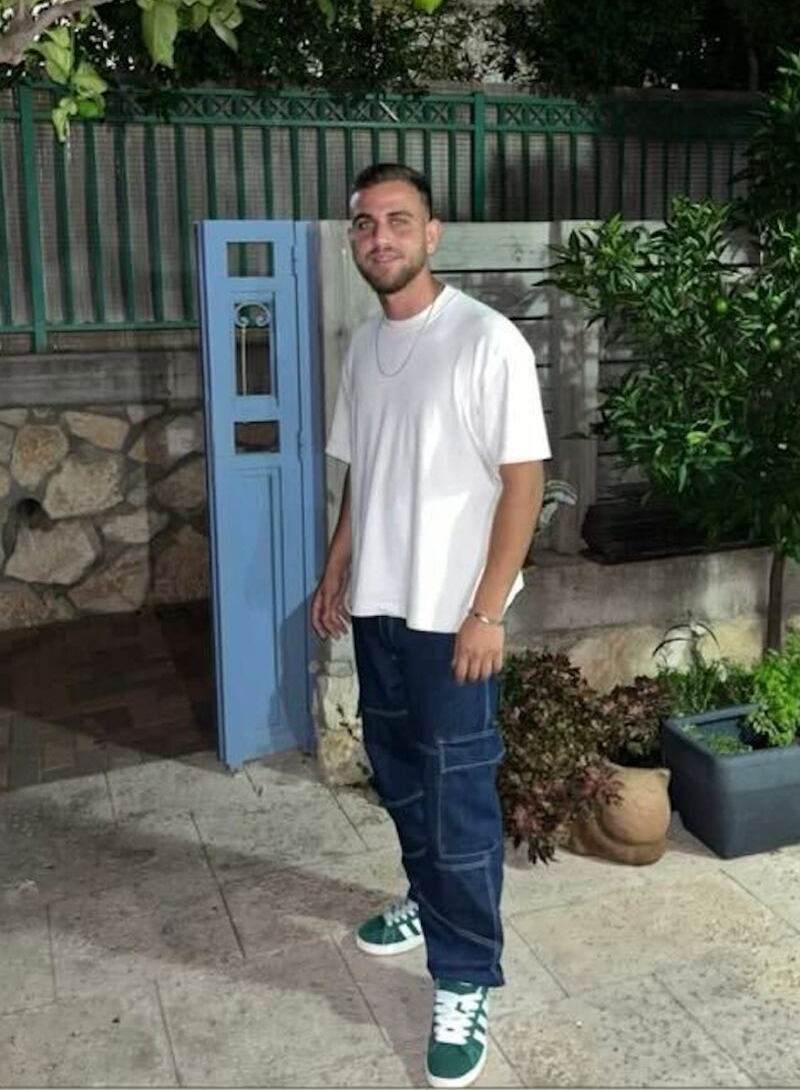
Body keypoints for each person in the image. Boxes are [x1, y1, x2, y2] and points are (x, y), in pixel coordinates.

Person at [311, 163, 550, 1089]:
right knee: (403, 776)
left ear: (433, 232)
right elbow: (362, 474)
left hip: (455, 619)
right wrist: (337, 568)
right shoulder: (365, 348)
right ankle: (428, 901)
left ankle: (464, 977)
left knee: (457, 800)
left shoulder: (486, 342)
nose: (381, 238)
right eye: (365, 224)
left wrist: (489, 607)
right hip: (379, 605)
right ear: (353, 241)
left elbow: (523, 481)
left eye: (398, 221)